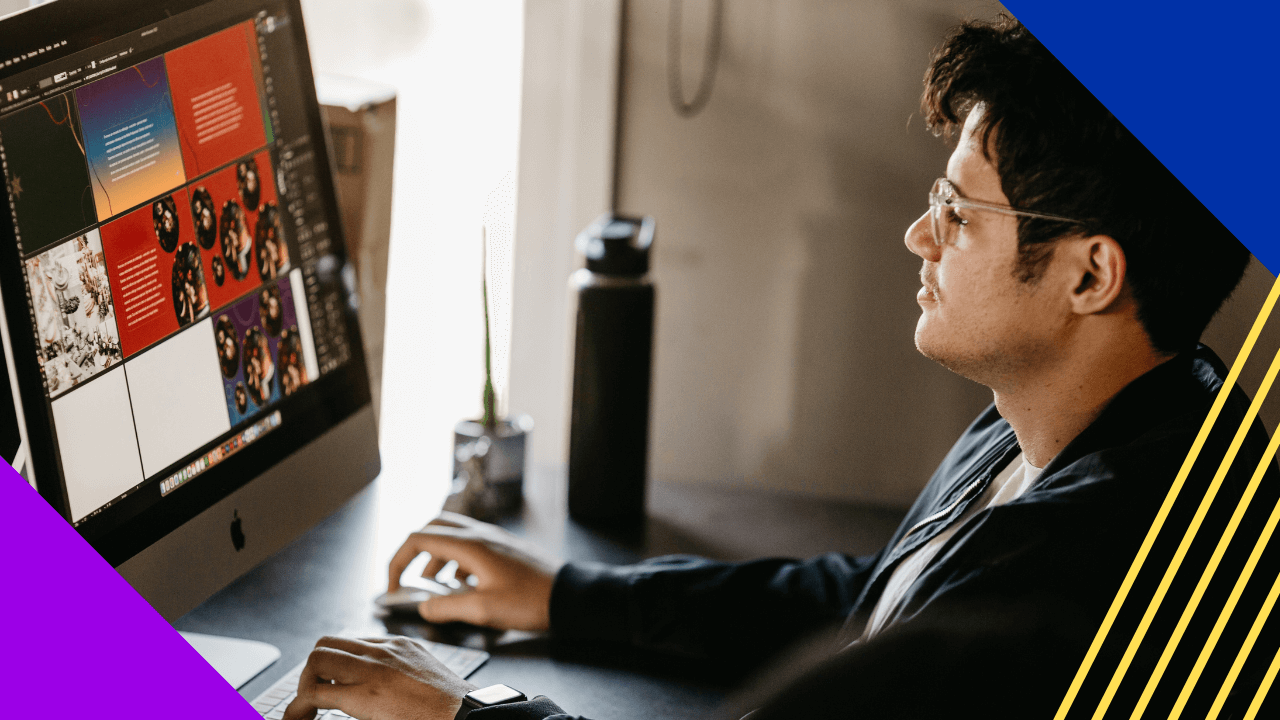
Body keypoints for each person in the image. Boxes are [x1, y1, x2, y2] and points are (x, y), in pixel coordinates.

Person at [283, 16, 1273, 720]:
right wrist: (567, 595)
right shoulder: (1086, 413)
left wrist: (469, 712)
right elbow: (873, 600)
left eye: (960, 214)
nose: (916, 233)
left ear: (1089, 274)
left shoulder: (1080, 581)